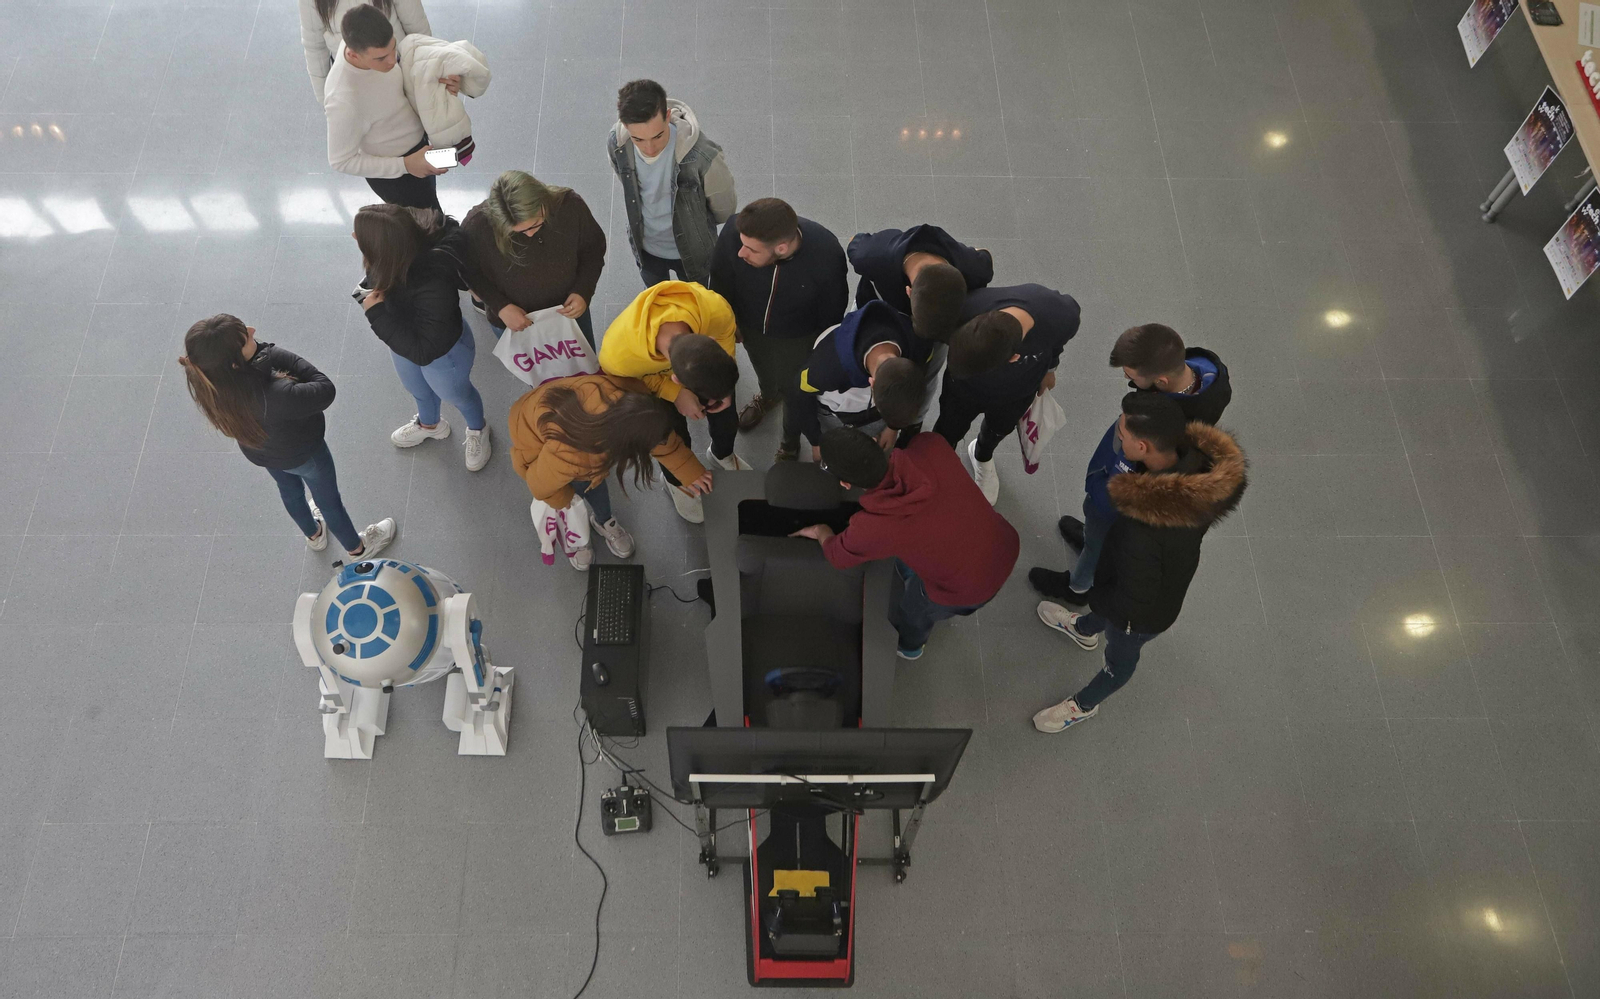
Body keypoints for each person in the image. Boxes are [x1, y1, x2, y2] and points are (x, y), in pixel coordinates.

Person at [1030, 394, 1246, 732]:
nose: (1118, 437)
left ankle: (1084, 705)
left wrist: (1101, 597)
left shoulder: (1144, 528)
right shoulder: (1194, 475)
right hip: (1129, 584)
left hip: (1140, 616)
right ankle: (1084, 630)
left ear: (1143, 447)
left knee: (1120, 659)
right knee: (1104, 614)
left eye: (1123, 436)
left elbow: (1135, 596)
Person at [179, 314, 396, 560]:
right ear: (234, 363)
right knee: (328, 502)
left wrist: (255, 355)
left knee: (289, 491)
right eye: (246, 338)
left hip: (263, 453)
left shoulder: (212, 385)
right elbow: (325, 389)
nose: (252, 330)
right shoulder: (279, 394)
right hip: (306, 455)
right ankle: (358, 549)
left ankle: (314, 535)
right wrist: (270, 352)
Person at [791, 427, 1019, 660]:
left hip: (970, 588)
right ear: (873, 441)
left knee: (915, 608)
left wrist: (821, 531)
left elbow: (837, 556)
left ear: (846, 484)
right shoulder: (930, 445)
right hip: (1002, 540)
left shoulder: (875, 527)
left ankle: (910, 646)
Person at [1041, 324, 1235, 595]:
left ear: (1161, 382)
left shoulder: (1166, 430)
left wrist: (1100, 494)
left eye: (1131, 376)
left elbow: (1127, 483)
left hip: (1115, 489)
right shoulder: (1203, 374)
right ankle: (1091, 539)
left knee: (1099, 539)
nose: (1127, 380)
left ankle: (1078, 587)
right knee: (1096, 535)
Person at [508, 373, 713, 570]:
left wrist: (691, 471)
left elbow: (657, 437)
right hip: (533, 442)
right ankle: (579, 537)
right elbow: (539, 484)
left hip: (554, 417)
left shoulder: (631, 402)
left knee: (595, 485)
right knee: (576, 496)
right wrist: (564, 500)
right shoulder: (573, 456)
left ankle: (603, 520)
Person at [354, 203, 492, 471]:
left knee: (459, 395)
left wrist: (376, 314)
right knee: (417, 389)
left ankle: (478, 429)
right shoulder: (390, 259)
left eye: (360, 236)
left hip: (444, 353)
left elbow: (425, 351)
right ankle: (430, 425)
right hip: (404, 340)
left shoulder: (432, 282)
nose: (354, 238)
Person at [597, 280, 745, 522]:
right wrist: (673, 392)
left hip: (694, 371)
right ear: (677, 378)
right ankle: (675, 481)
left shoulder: (715, 308)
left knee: (727, 417)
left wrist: (725, 392)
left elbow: (726, 339)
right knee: (671, 431)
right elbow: (623, 382)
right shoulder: (617, 356)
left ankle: (721, 454)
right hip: (650, 381)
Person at [708, 198, 848, 450]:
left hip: (798, 337)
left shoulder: (826, 254)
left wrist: (820, 351)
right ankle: (768, 396)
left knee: (794, 389)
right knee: (763, 367)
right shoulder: (735, 232)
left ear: (781, 248)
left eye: (751, 250)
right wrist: (728, 320)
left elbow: (833, 310)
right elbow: (719, 279)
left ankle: (790, 441)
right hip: (749, 326)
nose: (741, 253)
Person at [934, 283, 1081, 505]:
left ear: (1014, 358)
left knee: (999, 428)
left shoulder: (1061, 314)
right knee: (948, 428)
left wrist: (1050, 369)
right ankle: (939, 467)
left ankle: (981, 456)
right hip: (961, 390)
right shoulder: (967, 306)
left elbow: (1059, 339)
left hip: (1017, 391)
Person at [606, 79, 738, 287]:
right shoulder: (617, 142)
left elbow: (725, 208)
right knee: (658, 303)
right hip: (646, 248)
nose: (649, 148)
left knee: (698, 306)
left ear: (668, 116)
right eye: (638, 139)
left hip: (693, 250)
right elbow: (625, 181)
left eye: (657, 136)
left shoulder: (702, 155)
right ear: (624, 126)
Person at [323, 4, 449, 212]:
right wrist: (405, 165)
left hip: (418, 148)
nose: (392, 61)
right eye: (381, 58)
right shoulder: (344, 101)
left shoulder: (367, 41)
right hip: (398, 177)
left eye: (393, 48)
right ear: (354, 55)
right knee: (427, 228)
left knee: (434, 211)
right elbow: (340, 161)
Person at [462, 170, 607, 348]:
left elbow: (592, 250)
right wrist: (500, 307)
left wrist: (583, 291)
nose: (530, 234)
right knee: (537, 375)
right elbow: (469, 272)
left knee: (586, 371)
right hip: (514, 322)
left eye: (536, 224)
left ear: (544, 199)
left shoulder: (570, 206)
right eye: (519, 232)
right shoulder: (476, 227)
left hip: (569, 314)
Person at [787, 300, 927, 460]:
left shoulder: (919, 345)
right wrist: (816, 441)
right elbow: (798, 395)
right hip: (835, 413)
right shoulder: (827, 368)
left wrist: (892, 427)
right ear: (871, 383)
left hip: (869, 413)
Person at [300, 0, 431, 106]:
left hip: (397, 66)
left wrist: (427, 70)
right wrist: (325, 97)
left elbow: (416, 25)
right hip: (352, 79)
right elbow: (314, 46)